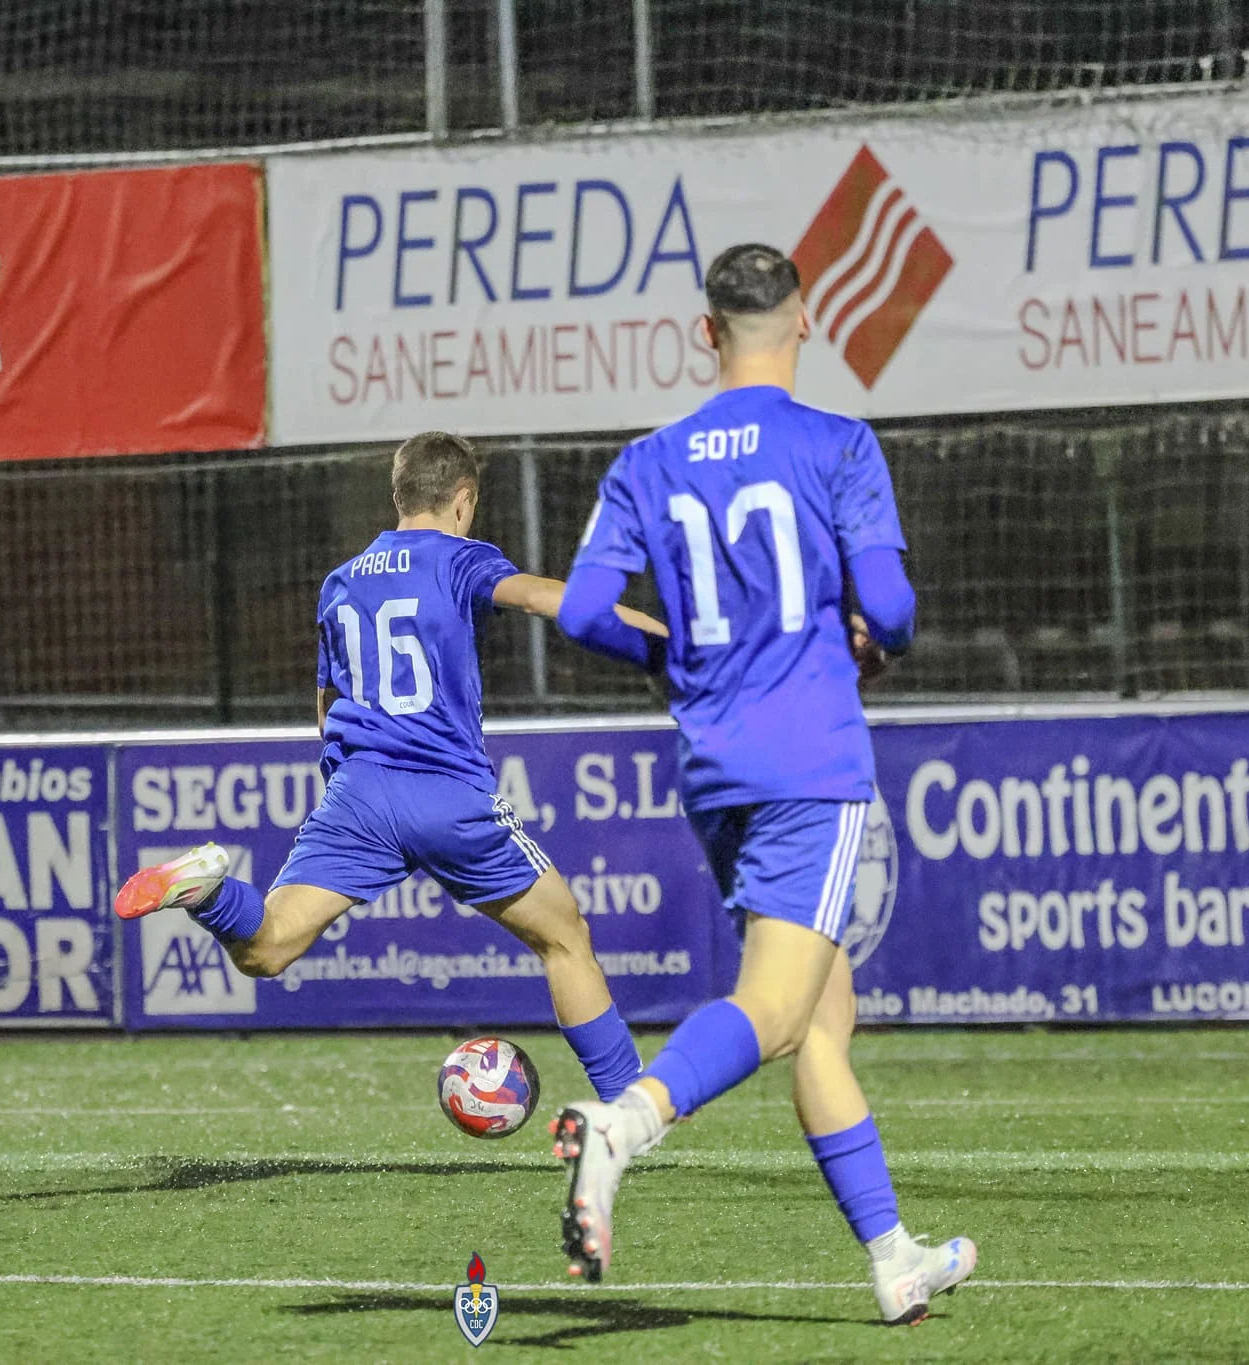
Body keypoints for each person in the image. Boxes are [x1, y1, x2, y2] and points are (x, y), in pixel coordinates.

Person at [547, 243, 975, 1325]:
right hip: (809, 758)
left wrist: (674, 659)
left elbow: (586, 608)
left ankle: (891, 1258)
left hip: (715, 768)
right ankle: (623, 1123)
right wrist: (874, 634)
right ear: (805, 319)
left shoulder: (646, 460)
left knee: (821, 1017)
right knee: (776, 1006)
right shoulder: (836, 444)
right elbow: (896, 605)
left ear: (706, 331)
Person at [114, 430, 667, 1106]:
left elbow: (327, 705)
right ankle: (633, 1106)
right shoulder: (460, 559)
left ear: (398, 494)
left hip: (360, 792)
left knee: (267, 947)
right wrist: (665, 643)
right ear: (463, 500)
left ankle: (204, 889)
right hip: (447, 792)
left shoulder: (340, 583)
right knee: (565, 937)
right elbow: (546, 599)